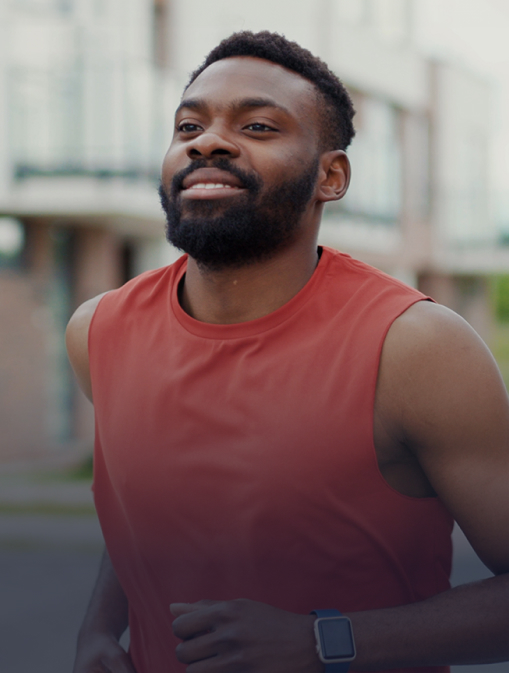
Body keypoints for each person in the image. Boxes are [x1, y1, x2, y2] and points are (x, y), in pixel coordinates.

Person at [66, 31, 509, 673]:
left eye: (258, 126)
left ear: (331, 177)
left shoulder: (415, 347)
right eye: (188, 123)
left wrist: (323, 641)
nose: (207, 140)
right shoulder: (97, 331)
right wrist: (98, 627)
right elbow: (147, 510)